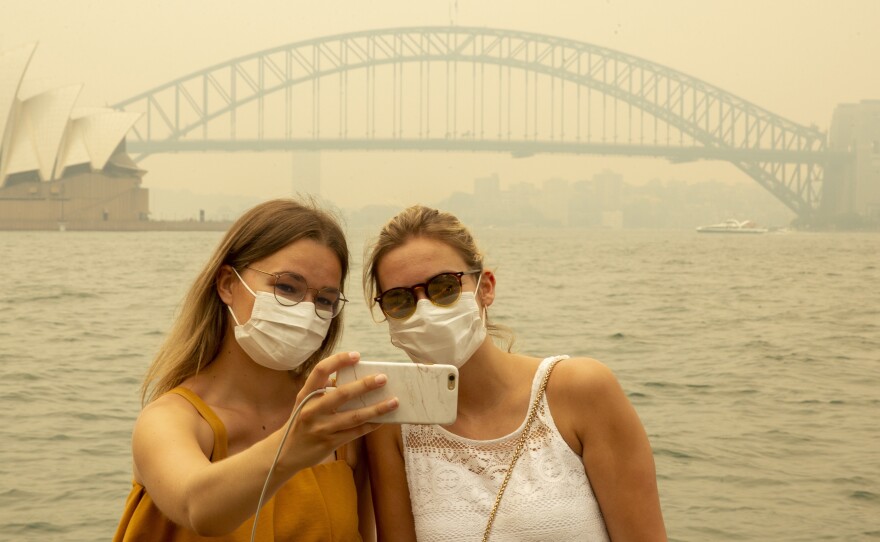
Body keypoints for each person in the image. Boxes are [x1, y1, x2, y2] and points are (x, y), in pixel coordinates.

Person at [362, 205, 667, 542]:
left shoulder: (582, 390)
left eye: (444, 287)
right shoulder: (391, 424)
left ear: (486, 288)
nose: (425, 308)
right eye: (400, 301)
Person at [114, 198, 398, 541]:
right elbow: (197, 507)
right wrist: (291, 447)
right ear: (227, 284)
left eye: (324, 300)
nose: (306, 311)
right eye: (287, 287)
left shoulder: (337, 426)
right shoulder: (173, 420)